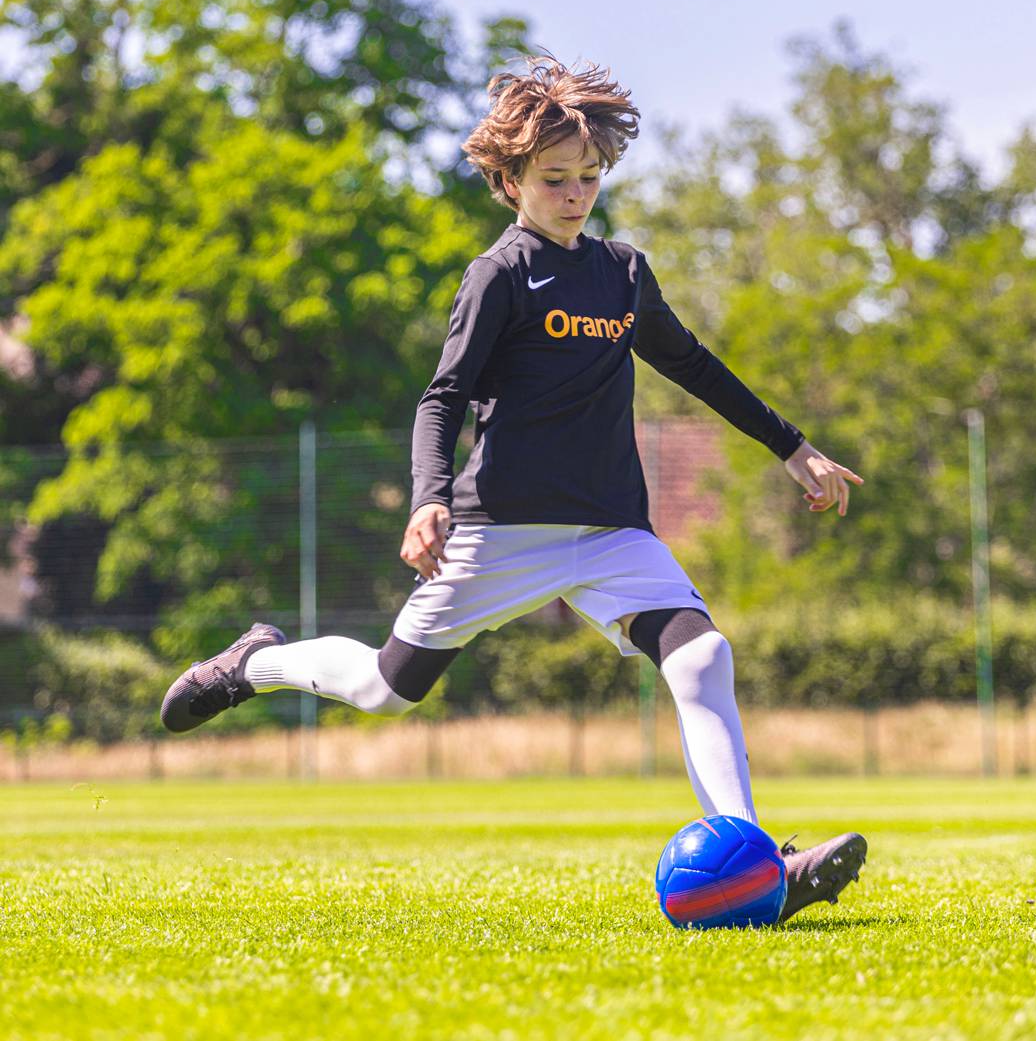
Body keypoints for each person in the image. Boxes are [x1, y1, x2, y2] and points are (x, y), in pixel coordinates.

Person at [161, 56, 867, 922]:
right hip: (500, 530)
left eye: (590, 177)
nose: (576, 195)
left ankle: (756, 864)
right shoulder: (497, 276)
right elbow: (442, 396)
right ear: (511, 181)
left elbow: (691, 366)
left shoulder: (625, 272)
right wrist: (428, 498)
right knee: (386, 688)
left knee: (702, 655)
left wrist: (791, 447)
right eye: (555, 179)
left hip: (612, 530)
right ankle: (252, 662)